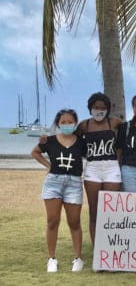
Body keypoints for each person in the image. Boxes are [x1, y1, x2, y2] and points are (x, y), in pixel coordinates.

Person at [32, 109, 85, 273]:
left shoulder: (82, 142)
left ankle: (78, 258)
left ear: (75, 123)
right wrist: (48, 165)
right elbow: (35, 152)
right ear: (58, 124)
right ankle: (52, 259)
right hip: (53, 183)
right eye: (63, 122)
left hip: (74, 183)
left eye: (70, 122)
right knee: (52, 221)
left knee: (74, 222)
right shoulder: (50, 140)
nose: (67, 124)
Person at [75, 92, 122, 246]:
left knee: (110, 211)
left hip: (111, 167)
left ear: (107, 109)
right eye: (96, 107)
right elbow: (71, 139)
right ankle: (98, 250)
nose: (99, 110)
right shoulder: (84, 125)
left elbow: (135, 127)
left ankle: (110, 247)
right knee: (94, 212)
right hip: (92, 168)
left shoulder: (114, 122)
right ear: (90, 108)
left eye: (102, 108)